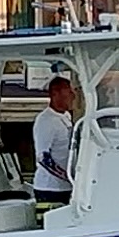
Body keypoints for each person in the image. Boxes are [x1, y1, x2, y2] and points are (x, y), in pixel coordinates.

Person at [31, 75, 76, 207]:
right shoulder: (46, 121)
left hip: (66, 188)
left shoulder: (66, 117)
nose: (73, 95)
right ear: (55, 94)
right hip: (49, 189)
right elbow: (43, 157)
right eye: (68, 92)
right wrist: (67, 176)